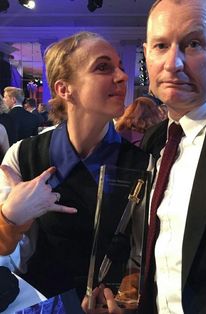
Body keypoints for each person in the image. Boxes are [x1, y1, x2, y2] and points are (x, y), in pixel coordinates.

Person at [83, 0, 206, 313]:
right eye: (161, 45)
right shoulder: (154, 141)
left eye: (193, 44)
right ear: (146, 53)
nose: (173, 63)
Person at [0, 32, 150, 300]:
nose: (122, 77)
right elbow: (8, 257)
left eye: (121, 67)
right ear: (63, 88)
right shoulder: (23, 156)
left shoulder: (141, 164)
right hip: (41, 303)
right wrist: (10, 218)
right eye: (103, 67)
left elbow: (143, 255)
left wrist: (127, 293)